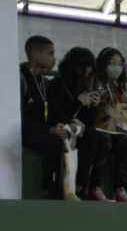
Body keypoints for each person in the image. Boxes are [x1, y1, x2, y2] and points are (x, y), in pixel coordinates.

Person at [92, 46, 127, 202]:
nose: (116, 67)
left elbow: (126, 115)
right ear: (103, 64)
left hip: (117, 129)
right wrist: (107, 110)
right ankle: (94, 187)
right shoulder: (98, 84)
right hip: (99, 128)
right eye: (112, 63)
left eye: (120, 63)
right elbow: (101, 109)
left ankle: (124, 188)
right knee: (107, 141)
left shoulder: (119, 87)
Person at [46, 46, 100, 201]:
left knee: (92, 135)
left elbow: (87, 120)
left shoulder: (81, 87)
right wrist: (78, 103)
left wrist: (92, 107)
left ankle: (81, 186)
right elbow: (56, 114)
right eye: (84, 73)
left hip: (77, 129)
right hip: (59, 127)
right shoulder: (57, 84)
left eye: (89, 74)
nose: (86, 77)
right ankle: (56, 187)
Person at [20, 36, 63, 199]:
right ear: (36, 54)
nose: (54, 58)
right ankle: (50, 190)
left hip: (45, 131)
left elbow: (54, 112)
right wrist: (49, 129)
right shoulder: (19, 77)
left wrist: (63, 126)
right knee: (52, 142)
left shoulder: (46, 83)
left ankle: (77, 189)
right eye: (50, 53)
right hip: (24, 132)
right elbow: (17, 117)